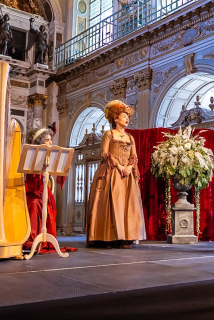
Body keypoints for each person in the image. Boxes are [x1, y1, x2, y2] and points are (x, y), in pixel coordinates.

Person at [86, 100, 146, 248]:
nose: (127, 119)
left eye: (128, 117)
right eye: (124, 116)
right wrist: (119, 166)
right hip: (111, 172)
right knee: (111, 204)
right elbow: (105, 153)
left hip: (127, 175)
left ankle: (124, 237)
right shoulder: (109, 134)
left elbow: (134, 156)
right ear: (115, 118)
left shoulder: (130, 137)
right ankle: (107, 236)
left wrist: (129, 167)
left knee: (127, 206)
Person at [23, 128, 76, 254]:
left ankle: (46, 239)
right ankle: (32, 239)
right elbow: (30, 176)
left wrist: (64, 167)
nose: (50, 142)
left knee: (48, 203)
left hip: (43, 190)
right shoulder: (32, 155)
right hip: (32, 190)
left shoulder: (52, 155)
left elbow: (56, 172)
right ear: (40, 142)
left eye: (50, 139)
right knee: (34, 205)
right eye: (47, 140)